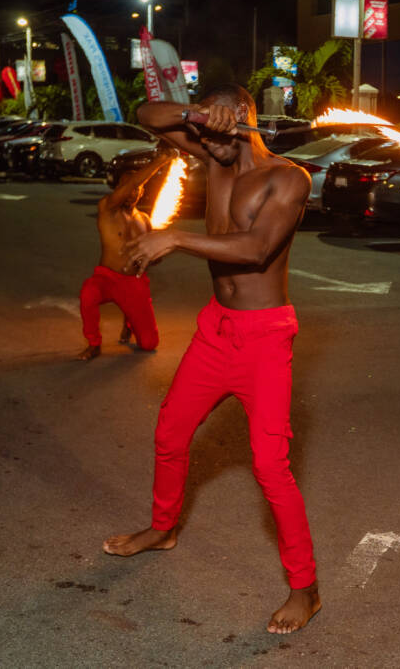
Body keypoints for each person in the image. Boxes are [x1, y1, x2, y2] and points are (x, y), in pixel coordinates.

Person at [102, 84, 320, 634]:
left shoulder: (288, 177)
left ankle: (306, 588)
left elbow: (256, 249)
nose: (201, 143)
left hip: (264, 338)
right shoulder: (213, 152)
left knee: (270, 467)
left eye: (214, 128)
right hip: (214, 331)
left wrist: (175, 238)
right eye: (199, 132)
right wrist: (196, 116)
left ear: (242, 118)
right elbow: (146, 114)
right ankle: (163, 528)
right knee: (170, 432)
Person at [76, 149, 173, 361]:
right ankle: (94, 344)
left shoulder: (144, 219)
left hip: (133, 282)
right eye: (126, 187)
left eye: (136, 189)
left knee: (149, 344)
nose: (131, 193)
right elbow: (131, 184)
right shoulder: (107, 208)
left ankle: (129, 321)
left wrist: (156, 254)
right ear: (118, 189)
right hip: (107, 278)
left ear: (142, 192)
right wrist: (161, 161)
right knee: (88, 293)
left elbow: (149, 255)